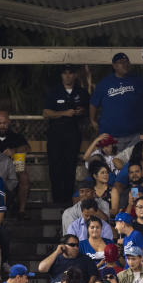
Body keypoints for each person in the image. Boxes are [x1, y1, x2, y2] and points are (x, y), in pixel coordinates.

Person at [89, 53, 143, 151]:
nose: (125, 64)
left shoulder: (139, 81)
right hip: (111, 136)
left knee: (135, 165)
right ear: (114, 66)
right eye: (121, 62)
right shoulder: (105, 83)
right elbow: (93, 103)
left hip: (136, 135)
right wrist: (92, 120)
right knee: (111, 164)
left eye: (127, 62)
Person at [42, 65, 90, 204]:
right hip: (55, 135)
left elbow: (89, 109)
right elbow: (46, 113)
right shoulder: (54, 91)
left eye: (71, 73)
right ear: (62, 76)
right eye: (65, 73)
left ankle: (68, 200)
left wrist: (82, 111)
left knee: (70, 167)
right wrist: (64, 113)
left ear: (75, 75)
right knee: (55, 167)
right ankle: (57, 200)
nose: (68, 76)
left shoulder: (81, 92)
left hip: (73, 135)